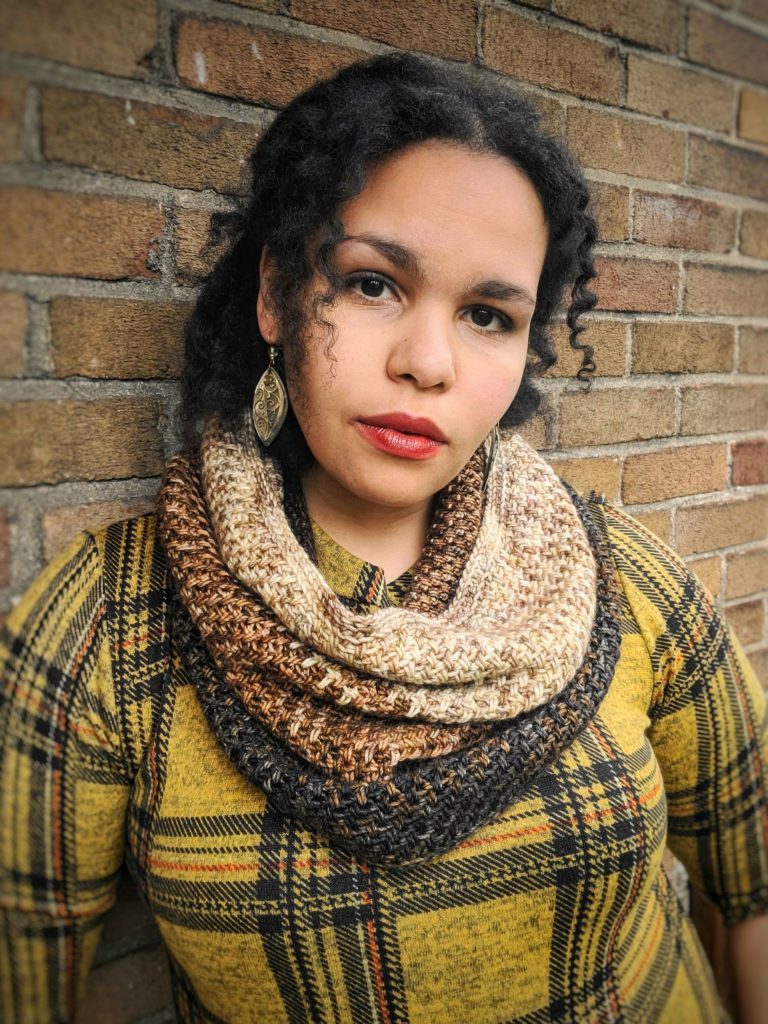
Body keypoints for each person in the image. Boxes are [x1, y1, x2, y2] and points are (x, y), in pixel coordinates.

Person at [1, 52, 766, 1024]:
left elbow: (754, 876)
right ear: (276, 294)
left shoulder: (614, 575)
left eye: (489, 315)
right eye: (372, 285)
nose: (429, 362)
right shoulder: (110, 626)